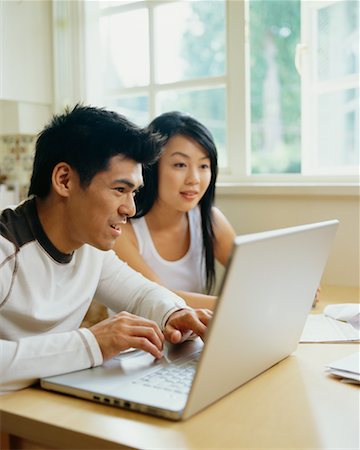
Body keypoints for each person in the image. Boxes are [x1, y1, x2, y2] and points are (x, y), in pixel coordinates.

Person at [0, 105, 212, 393]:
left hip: (47, 401)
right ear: (64, 180)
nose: (131, 208)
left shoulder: (89, 247)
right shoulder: (6, 249)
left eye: (134, 192)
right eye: (119, 190)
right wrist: (93, 343)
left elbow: (139, 292)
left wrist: (173, 313)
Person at [113, 111, 236, 310]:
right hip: (138, 340)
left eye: (204, 165)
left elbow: (250, 278)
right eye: (180, 164)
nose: (194, 179)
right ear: (151, 167)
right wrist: (234, 305)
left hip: (192, 337)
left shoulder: (211, 220)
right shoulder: (123, 230)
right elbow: (161, 299)